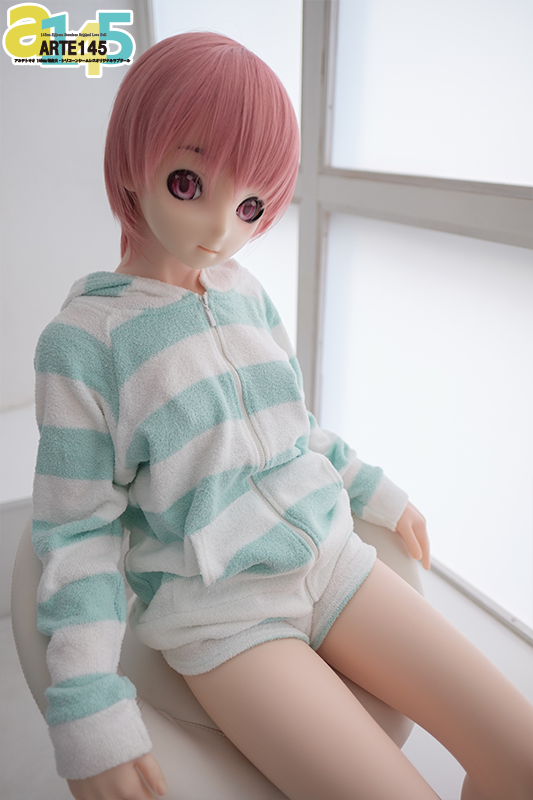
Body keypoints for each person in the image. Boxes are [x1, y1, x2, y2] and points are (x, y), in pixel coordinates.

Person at [32, 32, 533, 800]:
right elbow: (76, 535)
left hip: (332, 561)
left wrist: (369, 487)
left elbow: (291, 426)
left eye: (251, 205)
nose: (221, 230)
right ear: (133, 159)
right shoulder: (83, 343)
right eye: (188, 182)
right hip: (227, 619)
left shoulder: (244, 292)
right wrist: (87, 703)